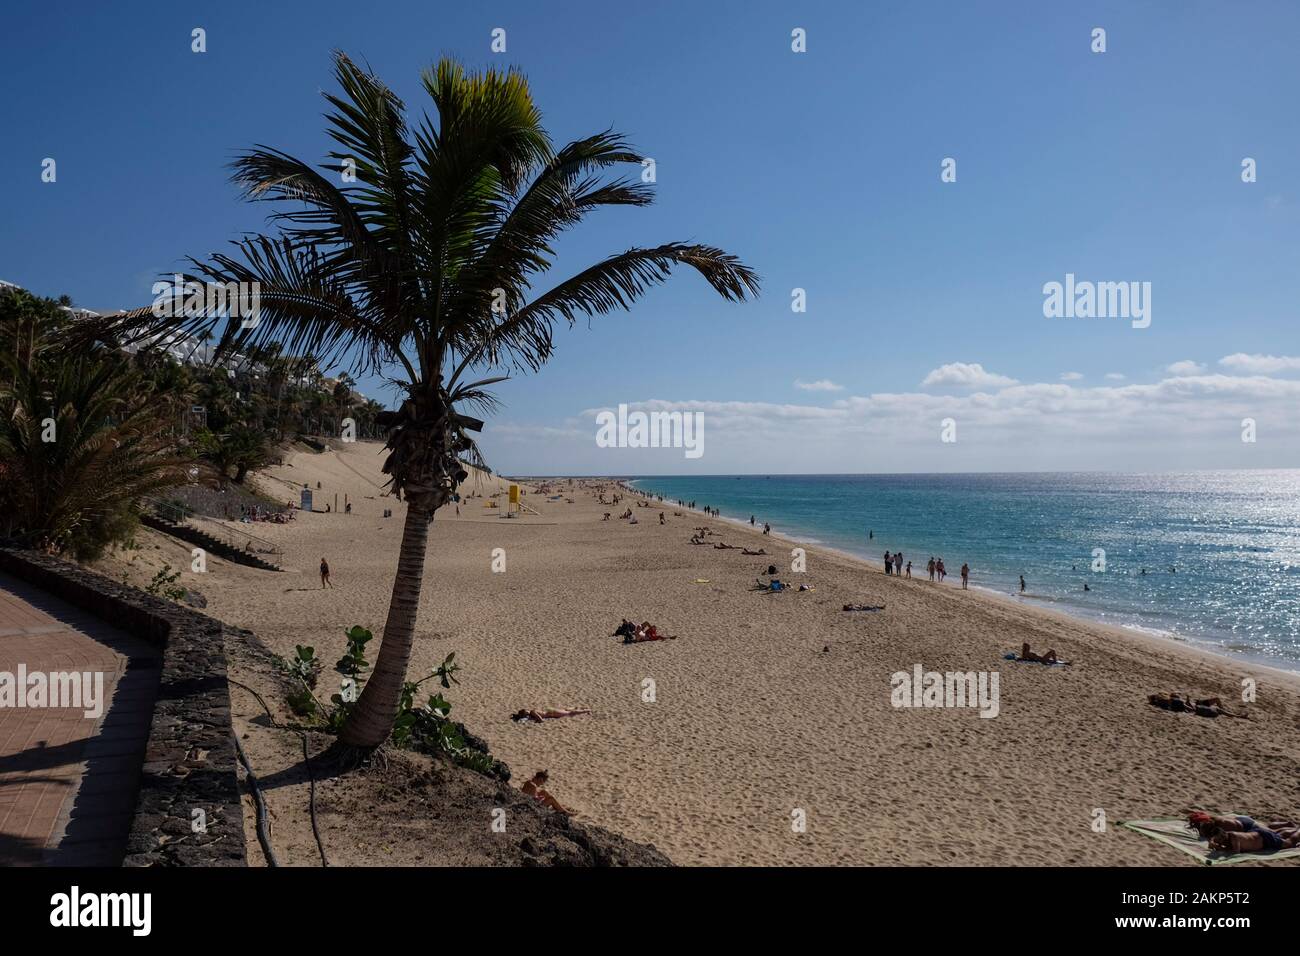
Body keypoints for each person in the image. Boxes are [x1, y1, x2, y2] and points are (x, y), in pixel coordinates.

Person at [511, 707, 592, 723]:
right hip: (550, 711)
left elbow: (540, 719)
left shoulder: (532, 712)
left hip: (552, 713)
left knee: (570, 713)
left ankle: (587, 710)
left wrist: (535, 721)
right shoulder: (532, 711)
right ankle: (583, 708)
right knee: (566, 710)